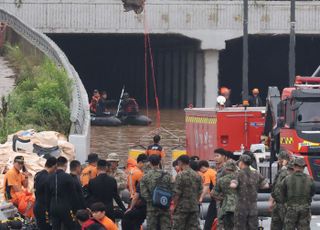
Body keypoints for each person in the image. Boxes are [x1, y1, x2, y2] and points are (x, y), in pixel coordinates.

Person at [230, 155, 269, 230]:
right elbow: (266, 185)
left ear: (241, 163)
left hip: (241, 207)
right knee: (252, 227)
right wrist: (256, 186)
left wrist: (232, 183)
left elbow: (233, 185)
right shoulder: (256, 173)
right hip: (253, 207)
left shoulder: (238, 174)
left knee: (240, 227)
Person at [280, 157, 315, 230]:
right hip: (305, 209)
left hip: (291, 209)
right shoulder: (310, 179)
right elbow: (312, 193)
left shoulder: (287, 179)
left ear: (294, 166)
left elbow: (282, 193)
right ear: (303, 167)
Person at [140, 155, 173, 230]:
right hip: (164, 205)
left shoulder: (145, 176)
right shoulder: (168, 175)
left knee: (152, 227)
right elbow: (173, 190)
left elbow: (143, 193)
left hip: (152, 207)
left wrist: (152, 201)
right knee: (166, 227)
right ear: (159, 162)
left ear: (150, 163)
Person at [46, 156, 78, 230]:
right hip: (65, 207)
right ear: (66, 165)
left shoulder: (49, 177)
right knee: (70, 227)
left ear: (56, 165)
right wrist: (75, 210)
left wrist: (48, 210)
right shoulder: (68, 177)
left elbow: (47, 196)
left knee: (55, 228)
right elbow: (73, 195)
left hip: (53, 207)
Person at [172, 155, 202, 230]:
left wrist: (174, 206)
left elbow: (176, 193)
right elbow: (200, 191)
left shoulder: (180, 175)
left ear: (180, 162)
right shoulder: (197, 175)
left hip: (182, 208)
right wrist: (196, 201)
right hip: (194, 207)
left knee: (178, 227)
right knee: (193, 228)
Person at [122, 154, 149, 230]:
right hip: (138, 201)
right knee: (137, 223)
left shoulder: (130, 171)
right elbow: (143, 188)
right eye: (145, 163)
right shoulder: (139, 173)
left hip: (131, 198)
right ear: (140, 162)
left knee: (131, 221)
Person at [211, 161, 237, 230]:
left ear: (225, 169)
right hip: (240, 207)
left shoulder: (222, 180)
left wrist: (221, 198)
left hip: (225, 208)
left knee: (222, 225)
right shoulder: (241, 179)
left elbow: (213, 193)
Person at [34, 157, 57, 230]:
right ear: (54, 166)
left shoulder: (38, 175)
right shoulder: (48, 178)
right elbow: (49, 196)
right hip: (44, 209)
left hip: (37, 206)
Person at [269, 151, 290, 230]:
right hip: (277, 204)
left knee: (286, 226)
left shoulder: (288, 170)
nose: (278, 161)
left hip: (285, 204)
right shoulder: (281, 170)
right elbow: (276, 186)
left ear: (284, 160)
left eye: (279, 159)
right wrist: (272, 200)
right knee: (275, 225)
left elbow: (281, 185)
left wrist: (284, 166)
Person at [198, 160, 217, 230]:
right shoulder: (213, 171)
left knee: (209, 218)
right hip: (219, 198)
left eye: (200, 169)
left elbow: (206, 186)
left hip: (215, 198)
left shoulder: (207, 173)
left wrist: (201, 197)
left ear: (202, 167)